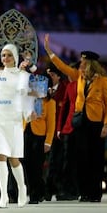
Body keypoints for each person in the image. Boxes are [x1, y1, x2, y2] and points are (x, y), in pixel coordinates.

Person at [44, 34, 107, 202]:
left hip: (96, 123)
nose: (80, 64)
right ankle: (84, 192)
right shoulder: (78, 77)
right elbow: (62, 67)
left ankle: (95, 194)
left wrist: (106, 124)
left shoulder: (103, 80)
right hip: (81, 122)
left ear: (90, 64)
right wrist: (49, 51)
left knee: (96, 159)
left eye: (83, 62)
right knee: (82, 159)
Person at [0, 43, 36, 208]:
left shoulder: (22, 75)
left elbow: (24, 97)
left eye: (9, 55)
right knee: (0, 155)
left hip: (15, 119)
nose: (5, 58)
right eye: (3, 55)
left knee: (14, 159)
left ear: (15, 57)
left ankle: (22, 188)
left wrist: (28, 113)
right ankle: (3, 195)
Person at [23, 76, 56, 204]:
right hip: (26, 133)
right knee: (26, 164)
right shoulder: (28, 99)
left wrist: (48, 141)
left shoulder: (49, 102)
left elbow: (51, 123)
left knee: (36, 166)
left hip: (40, 136)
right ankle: (39, 190)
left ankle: (35, 195)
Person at [55, 62, 80, 201]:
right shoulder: (69, 86)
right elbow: (64, 108)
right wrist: (59, 128)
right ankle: (68, 189)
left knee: (75, 160)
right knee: (66, 161)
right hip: (67, 128)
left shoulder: (82, 84)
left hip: (79, 127)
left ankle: (75, 189)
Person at [44, 64, 69, 201]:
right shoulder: (44, 89)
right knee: (50, 162)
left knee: (56, 162)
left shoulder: (64, 88)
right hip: (44, 130)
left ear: (59, 76)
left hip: (58, 132)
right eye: (49, 75)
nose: (50, 78)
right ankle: (50, 188)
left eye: (53, 75)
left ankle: (52, 189)